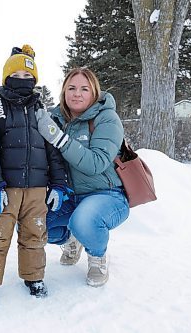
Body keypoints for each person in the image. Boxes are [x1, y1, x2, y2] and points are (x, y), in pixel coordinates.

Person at [0, 44, 67, 308]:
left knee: (35, 236)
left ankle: (33, 277)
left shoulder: (40, 111)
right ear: (6, 77)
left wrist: (58, 185)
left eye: (28, 77)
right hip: (6, 191)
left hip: (37, 190)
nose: (23, 81)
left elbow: (53, 151)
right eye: (17, 76)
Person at [35, 67, 130, 287]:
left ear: (94, 92)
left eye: (84, 89)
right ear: (63, 91)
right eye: (72, 88)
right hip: (69, 196)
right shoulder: (55, 117)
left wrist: (58, 138)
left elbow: (95, 163)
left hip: (107, 195)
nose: (77, 94)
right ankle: (72, 239)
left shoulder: (107, 118)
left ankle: (97, 257)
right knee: (32, 222)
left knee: (84, 220)